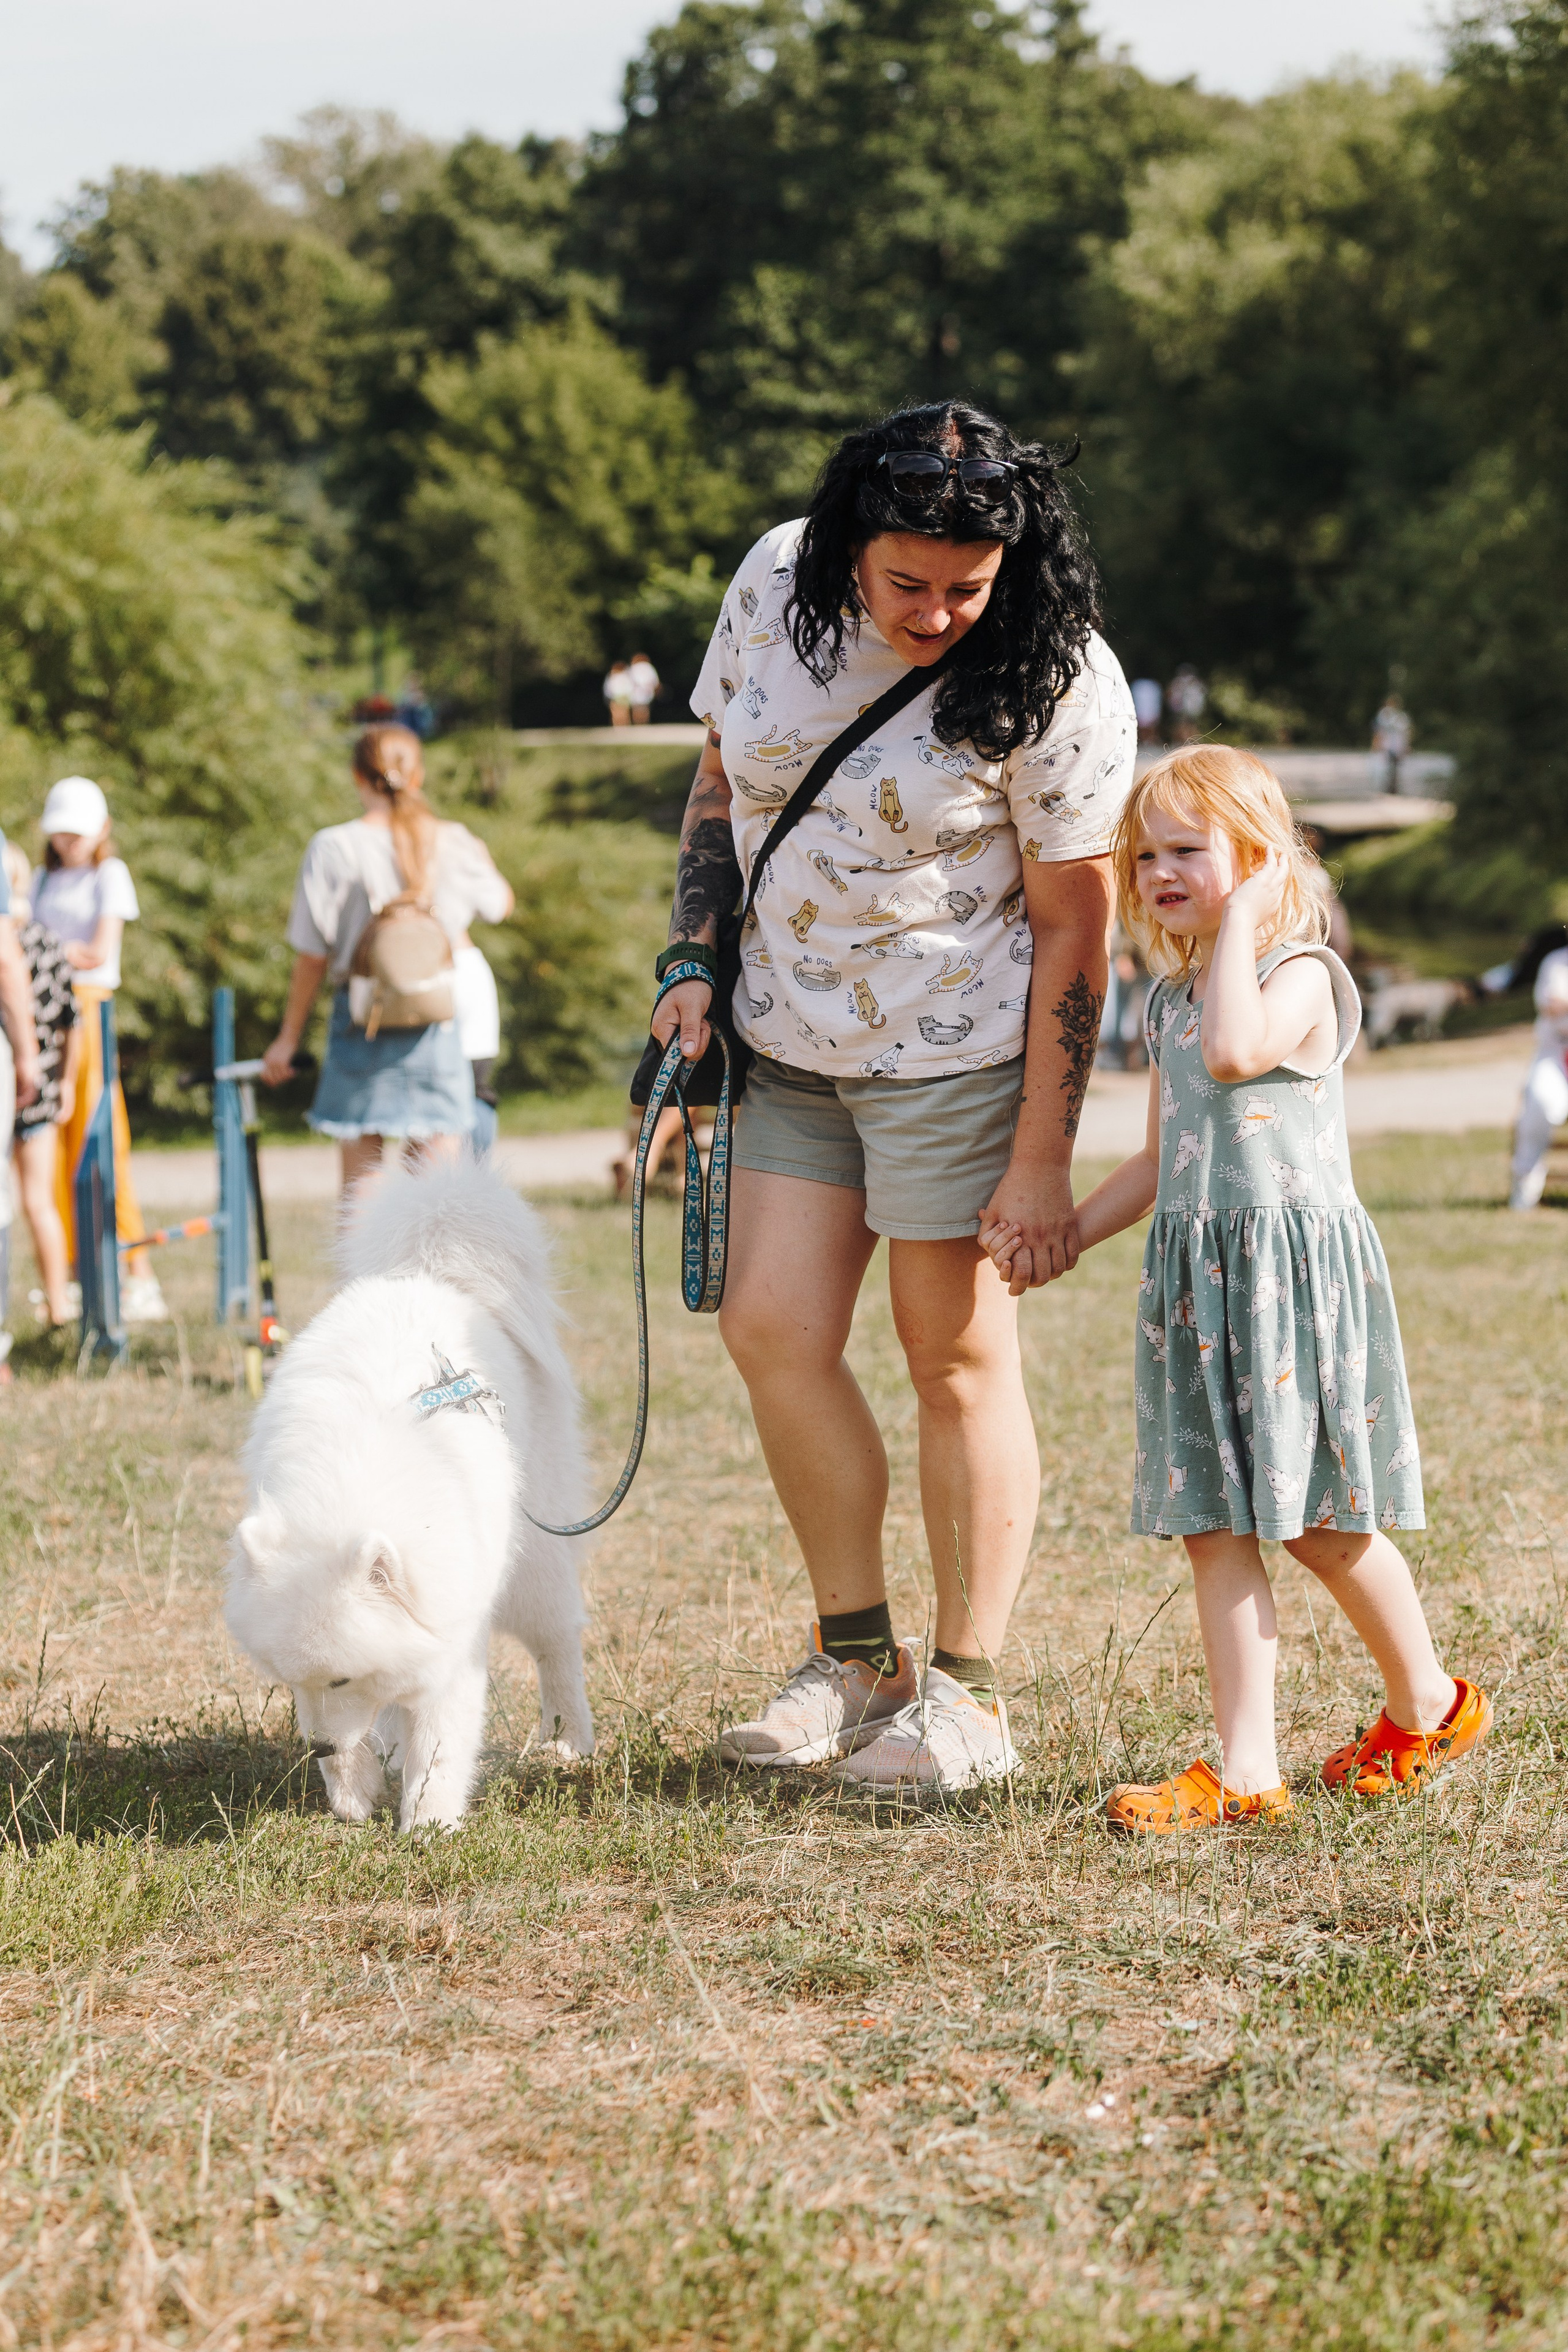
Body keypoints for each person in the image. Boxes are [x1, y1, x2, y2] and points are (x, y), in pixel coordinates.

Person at [651, 398, 1137, 1793]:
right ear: (849, 547)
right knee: (769, 1327)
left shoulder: (1055, 672)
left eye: (961, 589)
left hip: (958, 1058)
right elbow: (713, 781)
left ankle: (968, 1693)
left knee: (952, 1359)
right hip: (783, 1039)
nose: (933, 611)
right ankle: (856, 1656)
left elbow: (1073, 926)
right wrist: (690, 953)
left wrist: (1039, 1154)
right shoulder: (772, 586)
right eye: (905, 582)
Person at [985, 745, 1490, 1828]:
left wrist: (1254, 911)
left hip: (1285, 1282)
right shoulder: (1171, 998)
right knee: (1215, 1524)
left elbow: (1231, 1056)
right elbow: (1167, 1149)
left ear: (1259, 858)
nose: (1161, 872)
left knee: (1318, 1520)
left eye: (1189, 850)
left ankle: (1432, 1704)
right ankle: (1247, 1772)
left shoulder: (1298, 972)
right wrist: (1073, 1229)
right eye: (1147, 854)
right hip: (1199, 1285)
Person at [260, 725, 511, 1195]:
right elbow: (500, 904)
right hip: (435, 1016)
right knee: (439, 1182)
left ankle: (367, 1270)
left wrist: (288, 1038)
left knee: (364, 1182)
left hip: (363, 1016)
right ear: (417, 776)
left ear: (357, 775)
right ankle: (432, 1269)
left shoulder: (334, 846)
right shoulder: (451, 839)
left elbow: (312, 956)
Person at [31, 777, 164, 1323]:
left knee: (102, 1140)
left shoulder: (111, 874)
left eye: (77, 833)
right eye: (60, 833)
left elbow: (98, 952)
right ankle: (71, 1274)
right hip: (46, 1015)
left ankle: (138, 1273)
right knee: (52, 1147)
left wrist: (49, 952)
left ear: (101, 831)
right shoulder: (42, 877)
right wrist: (60, 953)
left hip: (89, 1011)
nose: (68, 842)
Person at [4, 843, 78, 1327]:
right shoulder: (47, 942)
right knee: (38, 1201)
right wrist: (66, 1081)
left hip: (18, 1082)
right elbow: (74, 1019)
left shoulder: (12, 947)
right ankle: (58, 1302)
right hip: (42, 1088)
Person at [1508, 944, 1568, 1209]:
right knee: (1540, 1104)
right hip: (1556, 1051)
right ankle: (1525, 1187)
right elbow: (1551, 1005)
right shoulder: (1556, 961)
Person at [1371, 692, 1412, 793]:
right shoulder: (1383, 716)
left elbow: (1406, 732)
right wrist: (1376, 743)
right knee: (1386, 766)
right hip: (1387, 744)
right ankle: (1388, 787)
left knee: (1396, 767)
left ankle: (1394, 787)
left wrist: (1407, 745)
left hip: (1398, 745)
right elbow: (1378, 730)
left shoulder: (1402, 717)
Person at [1166, 664, 1207, 744]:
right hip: (1184, 708)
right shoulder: (1178, 682)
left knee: (1187, 724)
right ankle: (1186, 740)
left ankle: (1190, 740)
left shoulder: (1195, 683)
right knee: (1184, 724)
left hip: (1190, 708)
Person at [627, 650, 661, 724]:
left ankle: (637, 722)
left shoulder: (633, 667)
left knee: (636, 708)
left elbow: (629, 680)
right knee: (645, 708)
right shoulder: (649, 667)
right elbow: (654, 680)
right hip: (647, 690)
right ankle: (644, 722)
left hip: (636, 691)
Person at [1130, 676, 1163, 745]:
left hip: (1149, 710)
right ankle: (1144, 741)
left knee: (1150, 726)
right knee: (1143, 726)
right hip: (1142, 710)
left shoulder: (1152, 686)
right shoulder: (1138, 686)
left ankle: (1149, 741)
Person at [603, 661, 634, 728]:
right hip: (622, 696)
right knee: (624, 712)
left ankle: (618, 725)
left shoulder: (613, 676)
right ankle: (624, 725)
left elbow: (608, 688)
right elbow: (630, 686)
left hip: (617, 696)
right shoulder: (626, 676)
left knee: (617, 712)